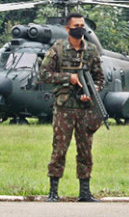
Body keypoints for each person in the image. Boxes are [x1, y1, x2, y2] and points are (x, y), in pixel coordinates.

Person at [40, 13, 105, 202]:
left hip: (85, 109)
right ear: (68, 29)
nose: (81, 28)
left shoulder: (91, 51)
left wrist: (91, 91)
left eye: (82, 25)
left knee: (85, 150)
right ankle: (53, 192)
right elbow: (44, 73)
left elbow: (100, 79)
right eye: (77, 25)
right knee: (59, 149)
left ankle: (85, 192)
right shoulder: (58, 49)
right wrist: (69, 78)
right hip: (64, 108)